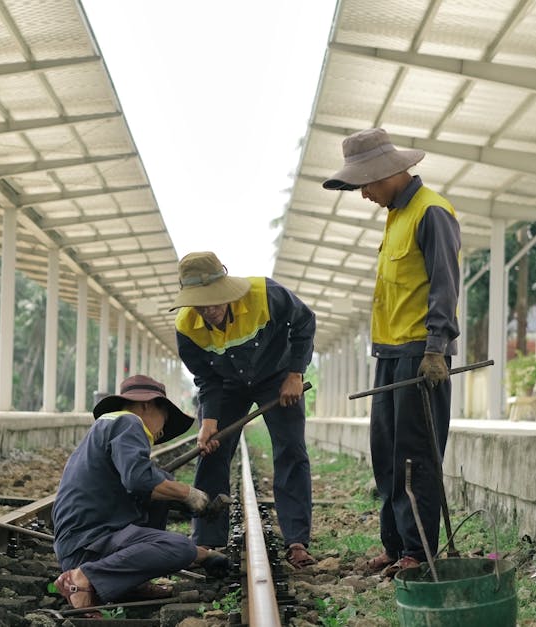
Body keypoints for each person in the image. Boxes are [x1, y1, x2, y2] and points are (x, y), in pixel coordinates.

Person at [322, 128, 461, 577]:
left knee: (415, 456)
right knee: (386, 453)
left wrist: (437, 347)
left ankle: (418, 553)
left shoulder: (431, 212)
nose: (363, 193)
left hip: (422, 354)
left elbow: (444, 283)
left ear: (390, 171)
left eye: (366, 183)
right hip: (389, 353)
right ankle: (396, 544)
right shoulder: (396, 214)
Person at [170, 251, 318, 569]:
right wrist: (208, 421)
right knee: (212, 452)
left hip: (278, 378)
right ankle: (207, 542)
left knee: (290, 450)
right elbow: (207, 379)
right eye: (201, 303)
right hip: (227, 388)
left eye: (214, 300)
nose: (209, 310)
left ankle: (296, 541)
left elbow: (305, 321)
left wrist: (295, 373)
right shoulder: (186, 328)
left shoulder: (265, 294)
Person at [52, 374, 229, 613]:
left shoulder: (108, 426)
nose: (163, 428)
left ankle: (130, 584)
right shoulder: (128, 422)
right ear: (147, 405)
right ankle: (83, 578)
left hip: (85, 543)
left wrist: (206, 555)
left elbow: (146, 485)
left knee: (161, 489)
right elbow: (139, 480)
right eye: (164, 418)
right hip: (90, 544)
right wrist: (188, 492)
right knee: (180, 546)